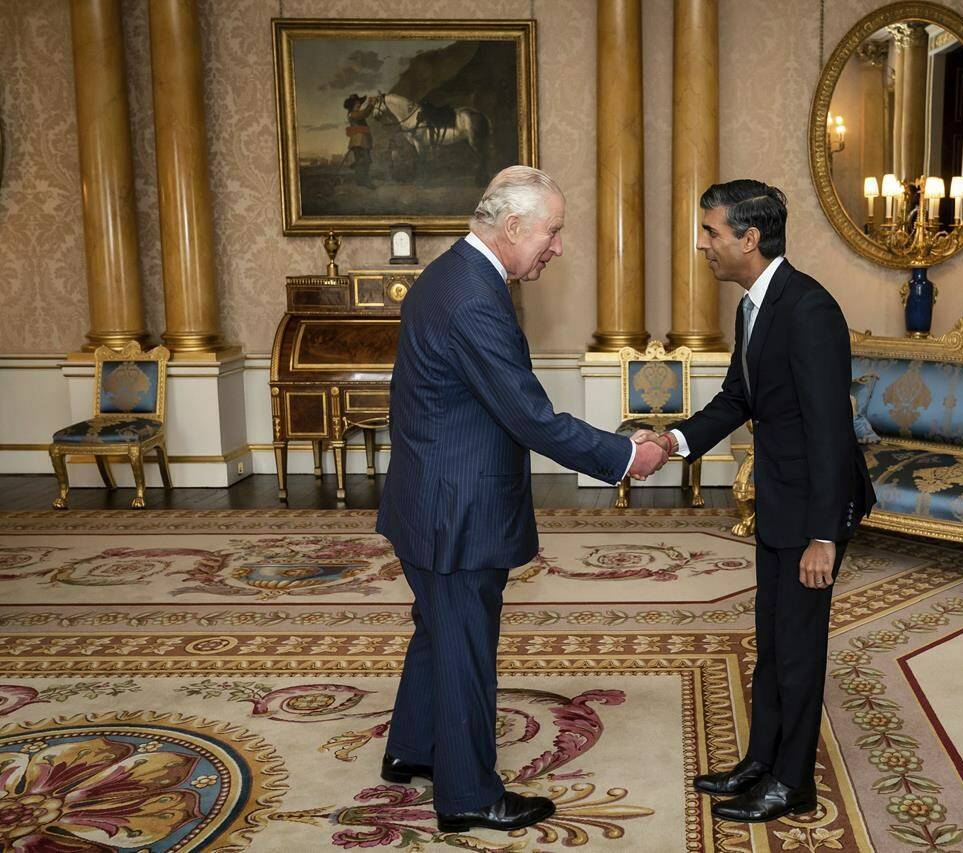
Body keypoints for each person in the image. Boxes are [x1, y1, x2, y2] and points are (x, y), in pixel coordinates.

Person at [376, 166, 669, 832]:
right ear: (512, 228)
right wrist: (626, 455)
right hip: (456, 509)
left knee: (438, 628)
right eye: (554, 231)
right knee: (464, 647)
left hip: (430, 494)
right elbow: (532, 417)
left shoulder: (452, 273)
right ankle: (470, 795)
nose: (558, 246)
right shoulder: (474, 298)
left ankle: (414, 748)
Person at [653, 179, 876, 823]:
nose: (703, 245)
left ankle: (793, 782)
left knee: (800, 649)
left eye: (711, 232)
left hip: (812, 512)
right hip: (780, 501)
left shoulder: (808, 309)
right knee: (773, 641)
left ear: (749, 239)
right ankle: (762, 761)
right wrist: (673, 440)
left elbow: (831, 430)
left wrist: (826, 536)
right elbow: (738, 398)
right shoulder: (755, 304)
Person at [343, 93, 376, 189]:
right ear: (352, 105)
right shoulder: (353, 113)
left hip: (361, 140)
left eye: (359, 103)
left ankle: (360, 181)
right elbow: (365, 113)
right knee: (365, 161)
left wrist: (369, 103)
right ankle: (366, 182)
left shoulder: (355, 112)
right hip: (360, 141)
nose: (359, 104)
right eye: (357, 103)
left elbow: (363, 113)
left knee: (363, 161)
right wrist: (372, 104)